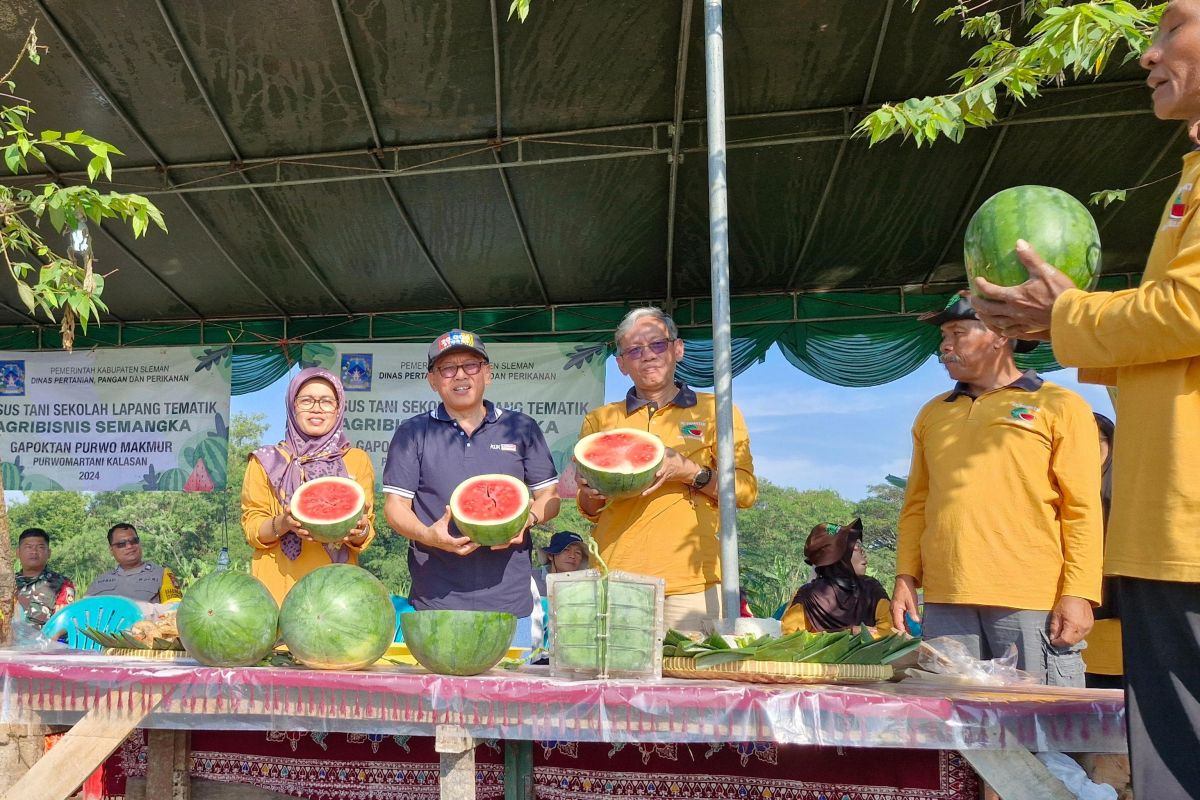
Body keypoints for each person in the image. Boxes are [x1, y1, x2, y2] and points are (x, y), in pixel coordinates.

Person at [971, 8, 1200, 788]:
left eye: (1174, 26)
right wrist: (1068, 322)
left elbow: (1191, 309)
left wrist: (1067, 315)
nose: (1148, 51)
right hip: (1168, 520)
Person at [891, 293, 1103, 686]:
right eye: (943, 336)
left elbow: (1082, 508)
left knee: (1038, 729)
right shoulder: (933, 412)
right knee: (956, 729)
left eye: (957, 332)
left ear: (1000, 335)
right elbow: (917, 505)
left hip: (1031, 598)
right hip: (946, 597)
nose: (945, 345)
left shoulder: (1060, 405)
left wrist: (1079, 593)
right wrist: (905, 576)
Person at [576, 307, 758, 632]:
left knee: (690, 679)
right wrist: (591, 491)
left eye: (657, 344)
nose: (647, 355)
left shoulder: (718, 412)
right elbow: (590, 510)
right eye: (634, 350)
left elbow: (744, 493)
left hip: (694, 583)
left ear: (678, 349)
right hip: (616, 578)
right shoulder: (600, 420)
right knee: (620, 681)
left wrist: (691, 473)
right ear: (621, 364)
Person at [383, 329, 559, 625]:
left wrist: (527, 519)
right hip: (435, 600)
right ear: (433, 381)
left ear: (487, 374)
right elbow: (394, 506)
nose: (460, 375)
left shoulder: (522, 428)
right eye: (448, 368)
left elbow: (550, 498)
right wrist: (428, 535)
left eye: (471, 366)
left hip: (509, 603)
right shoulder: (412, 433)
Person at [241, 367, 376, 604]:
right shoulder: (265, 460)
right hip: (278, 592)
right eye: (306, 400)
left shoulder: (356, 459)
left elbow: (365, 535)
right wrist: (283, 523)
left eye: (326, 401)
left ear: (338, 409)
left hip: (337, 596)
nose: (316, 407)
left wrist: (360, 530)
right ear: (292, 407)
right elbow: (252, 529)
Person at [781, 519, 892, 635]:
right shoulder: (809, 595)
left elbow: (889, 629)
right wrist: (847, 633)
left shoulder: (871, 588)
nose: (863, 551)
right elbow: (791, 637)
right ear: (837, 554)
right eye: (856, 546)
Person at [85, 523, 183, 603]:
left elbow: (174, 608)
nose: (129, 546)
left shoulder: (161, 574)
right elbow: (82, 610)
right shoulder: (100, 581)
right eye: (121, 544)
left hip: (145, 625)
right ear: (111, 550)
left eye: (134, 541)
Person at [14, 528, 75, 629]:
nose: (34, 551)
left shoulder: (62, 584)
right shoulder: (6, 584)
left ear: (49, 553)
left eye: (40, 547)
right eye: (28, 547)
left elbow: (61, 623)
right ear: (18, 553)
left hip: (44, 642)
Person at [533, 531, 589, 595]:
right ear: (551, 555)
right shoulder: (530, 579)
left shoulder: (584, 588)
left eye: (578, 552)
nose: (572, 556)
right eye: (566, 550)